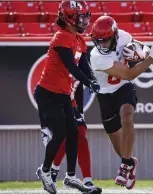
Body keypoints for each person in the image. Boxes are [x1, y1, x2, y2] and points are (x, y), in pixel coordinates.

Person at [89, 15, 153, 189]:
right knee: (118, 142)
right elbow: (130, 73)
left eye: (106, 41)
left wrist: (145, 52)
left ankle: (124, 166)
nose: (101, 45)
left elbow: (141, 47)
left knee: (127, 114)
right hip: (105, 94)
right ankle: (130, 162)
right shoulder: (96, 56)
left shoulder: (123, 36)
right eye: (98, 41)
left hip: (123, 88)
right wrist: (151, 58)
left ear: (115, 36)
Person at [34, 1, 100, 194]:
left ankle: (71, 177)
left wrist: (94, 80)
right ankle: (45, 171)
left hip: (62, 93)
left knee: (74, 133)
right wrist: (90, 83)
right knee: (60, 133)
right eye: (81, 17)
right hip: (48, 93)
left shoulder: (79, 40)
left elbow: (86, 67)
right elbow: (72, 67)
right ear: (69, 18)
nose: (85, 21)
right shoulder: (61, 37)